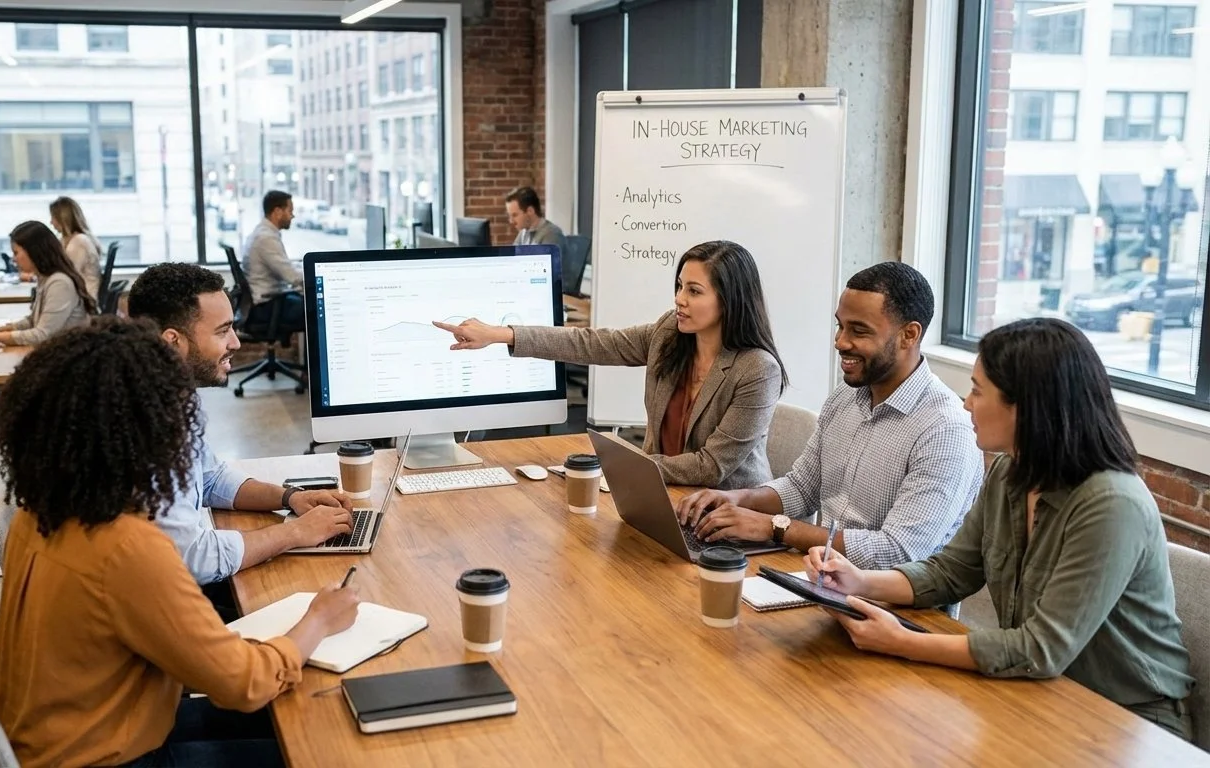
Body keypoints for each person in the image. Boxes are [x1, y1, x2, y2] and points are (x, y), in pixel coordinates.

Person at [0, 319, 361, 767]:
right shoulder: (126, 548)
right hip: (106, 755)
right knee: (326, 739)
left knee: (309, 709)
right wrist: (318, 620)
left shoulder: (40, 514)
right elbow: (244, 684)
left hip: (63, 735)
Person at [804, 318, 1194, 740]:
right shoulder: (1010, 470)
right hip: (1039, 691)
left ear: (1025, 406)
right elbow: (951, 571)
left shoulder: (1111, 503)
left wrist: (903, 642)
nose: (966, 404)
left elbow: (1041, 649)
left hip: (1127, 722)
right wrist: (860, 581)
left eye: (976, 390)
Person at [677, 261, 983, 567]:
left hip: (887, 603)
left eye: (858, 331)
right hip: (822, 575)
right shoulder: (846, 395)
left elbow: (897, 551)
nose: (840, 342)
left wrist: (773, 527)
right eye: (841, 325)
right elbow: (801, 487)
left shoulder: (946, 430)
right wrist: (739, 500)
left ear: (909, 335)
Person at [435, 240, 785, 490]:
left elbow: (711, 467)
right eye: (679, 286)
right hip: (664, 495)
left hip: (728, 512)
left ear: (729, 300)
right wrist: (502, 335)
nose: (679, 299)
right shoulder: (669, 334)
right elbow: (593, 344)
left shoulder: (757, 370)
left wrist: (626, 465)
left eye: (694, 291)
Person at [127, 263, 352, 616]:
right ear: (173, 341)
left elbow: (211, 477)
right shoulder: (145, 426)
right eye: (223, 331)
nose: (236, 342)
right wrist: (293, 534)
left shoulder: (174, 394)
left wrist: (290, 497)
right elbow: (191, 558)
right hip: (161, 607)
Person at [0, 221, 95, 346]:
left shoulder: (59, 283)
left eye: (16, 252)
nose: (14, 259)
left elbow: (42, 335)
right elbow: (33, 321)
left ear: (33, 251)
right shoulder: (46, 278)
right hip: (58, 354)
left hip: (69, 360)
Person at [241, 189, 305, 340]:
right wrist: (319, 276)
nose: (292, 216)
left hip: (268, 301)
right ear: (277, 211)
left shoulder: (263, 233)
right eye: (290, 211)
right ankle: (314, 363)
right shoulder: (266, 238)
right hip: (268, 306)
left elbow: (285, 267)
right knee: (318, 308)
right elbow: (291, 276)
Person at [49, 196, 102, 303]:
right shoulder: (66, 240)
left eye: (53, 218)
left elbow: (68, 275)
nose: (51, 222)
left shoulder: (79, 242)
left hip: (84, 301)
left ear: (62, 219)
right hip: (75, 297)